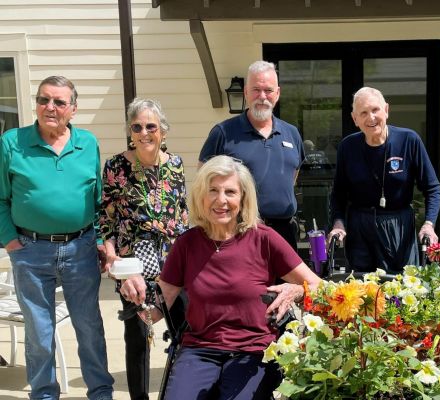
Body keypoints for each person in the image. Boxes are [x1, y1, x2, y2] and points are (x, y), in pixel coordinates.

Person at [120, 155, 321, 400]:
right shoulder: (186, 244)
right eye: (213, 190)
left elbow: (317, 285)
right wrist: (136, 295)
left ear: (243, 198)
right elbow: (157, 309)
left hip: (254, 350)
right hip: (200, 349)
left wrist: (295, 290)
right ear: (202, 197)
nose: (221, 200)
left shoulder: (264, 239)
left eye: (230, 192)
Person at [0, 76, 114, 399]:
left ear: (73, 110)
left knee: (89, 325)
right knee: (39, 330)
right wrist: (10, 241)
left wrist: (100, 241)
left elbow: (97, 201)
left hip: (80, 248)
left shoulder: (88, 143)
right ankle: (44, 394)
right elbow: (0, 199)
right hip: (30, 250)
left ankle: (101, 391)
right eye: (43, 99)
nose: (50, 107)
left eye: (59, 102)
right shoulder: (12, 143)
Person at [100, 98, 189, 400]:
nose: (144, 132)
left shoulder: (175, 165)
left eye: (151, 126)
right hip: (133, 263)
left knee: (183, 332)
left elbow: (183, 213)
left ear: (163, 131)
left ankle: (181, 391)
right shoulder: (116, 166)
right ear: (130, 131)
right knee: (137, 336)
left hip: (174, 261)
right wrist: (111, 256)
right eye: (137, 126)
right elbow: (107, 218)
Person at [328, 87, 440, 272]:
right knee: (361, 290)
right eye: (363, 113)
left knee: (402, 288)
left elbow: (432, 188)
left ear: (386, 110)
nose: (371, 118)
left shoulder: (409, 140)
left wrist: (429, 224)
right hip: (360, 226)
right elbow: (339, 193)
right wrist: (338, 223)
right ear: (355, 119)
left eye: (375, 110)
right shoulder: (347, 147)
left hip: (398, 224)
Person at [198, 60, 305, 251]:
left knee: (289, 282)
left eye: (268, 90)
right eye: (256, 89)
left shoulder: (292, 134)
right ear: (246, 92)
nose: (262, 96)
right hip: (239, 232)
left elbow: (292, 177)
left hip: (284, 233)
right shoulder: (223, 133)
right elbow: (203, 184)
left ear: (278, 93)